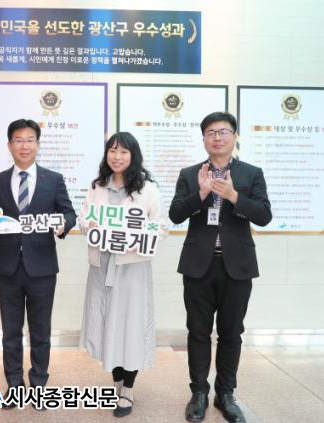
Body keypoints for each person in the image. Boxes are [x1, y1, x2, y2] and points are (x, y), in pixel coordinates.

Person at [169, 112, 272, 423]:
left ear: (234, 136)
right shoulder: (190, 174)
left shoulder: (251, 173)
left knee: (231, 333)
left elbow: (263, 215)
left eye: (223, 132)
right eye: (211, 132)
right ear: (203, 139)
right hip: (198, 265)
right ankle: (199, 393)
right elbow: (175, 214)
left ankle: (225, 394)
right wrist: (201, 193)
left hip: (237, 266)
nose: (217, 137)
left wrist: (233, 195)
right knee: (198, 332)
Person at [0, 119, 76, 408]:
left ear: (38, 144)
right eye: (19, 140)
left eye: (30, 140)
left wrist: (63, 225)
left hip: (42, 268)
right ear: (9, 145)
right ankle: (14, 385)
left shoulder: (53, 179)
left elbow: (69, 214)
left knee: (41, 332)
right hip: (7, 267)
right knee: (10, 333)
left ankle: (39, 386)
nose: (24, 145)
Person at [79, 132, 169, 418]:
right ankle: (116, 383)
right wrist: (89, 225)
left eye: (123, 152)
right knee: (108, 325)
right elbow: (84, 218)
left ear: (133, 156)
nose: (117, 157)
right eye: (112, 151)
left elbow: (160, 227)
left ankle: (128, 389)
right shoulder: (97, 186)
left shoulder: (147, 190)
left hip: (132, 268)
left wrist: (137, 238)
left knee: (130, 327)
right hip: (102, 266)